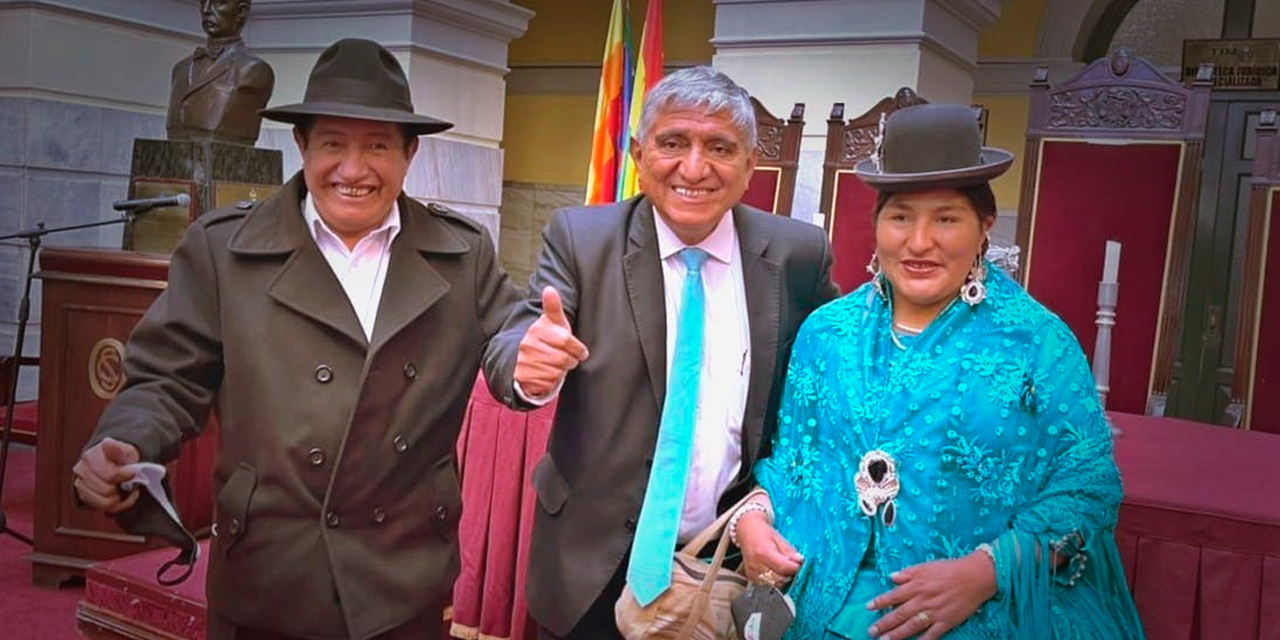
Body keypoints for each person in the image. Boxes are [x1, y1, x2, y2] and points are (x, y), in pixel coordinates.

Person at [73, 38, 520, 640]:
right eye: (333, 143)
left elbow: (511, 336)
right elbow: (166, 380)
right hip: (269, 572)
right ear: (301, 144)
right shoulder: (223, 250)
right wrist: (125, 440)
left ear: (409, 153)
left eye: (378, 146)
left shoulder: (462, 255)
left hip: (403, 576)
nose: (354, 169)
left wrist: (529, 363)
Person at [734, 103, 1147, 639]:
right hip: (823, 603)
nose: (919, 241)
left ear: (985, 228)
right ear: (878, 223)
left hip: (987, 613)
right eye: (900, 216)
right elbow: (794, 460)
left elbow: (1089, 487)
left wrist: (984, 572)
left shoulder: (1037, 342)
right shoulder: (826, 333)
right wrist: (754, 518)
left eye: (947, 218)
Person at [482, 65, 839, 640]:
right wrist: (525, 366)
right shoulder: (582, 238)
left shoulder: (797, 256)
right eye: (673, 143)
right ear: (639, 154)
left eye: (719, 147)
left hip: (728, 559)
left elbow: (827, 390)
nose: (693, 168)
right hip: (588, 560)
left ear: (750, 165)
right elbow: (517, 340)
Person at [166, 0, 274, 145]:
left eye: (218, 2)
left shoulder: (254, 70)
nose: (206, 10)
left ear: (241, 11)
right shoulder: (181, 69)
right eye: (203, 2)